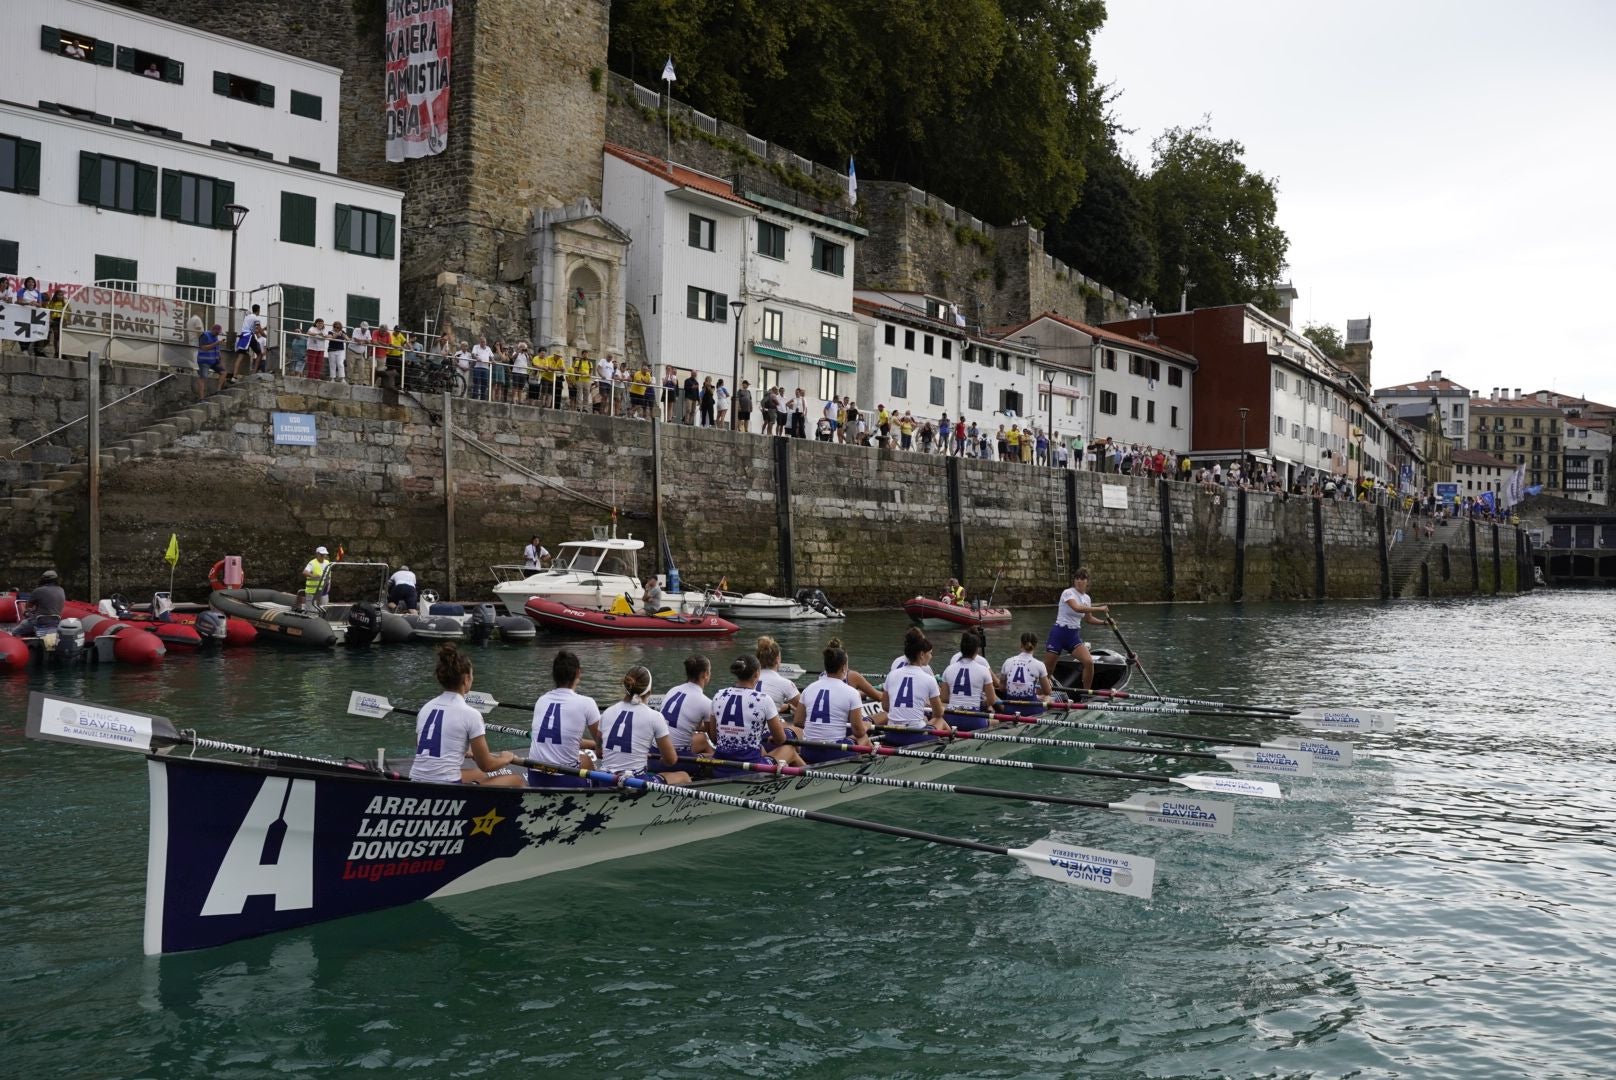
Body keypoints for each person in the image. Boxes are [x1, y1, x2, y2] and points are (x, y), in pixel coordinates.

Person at [411, 645, 525, 786]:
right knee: (516, 780)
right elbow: (487, 765)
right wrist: (506, 758)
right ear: (466, 679)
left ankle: (476, 788)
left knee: (480, 774)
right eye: (472, 674)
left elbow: (421, 745)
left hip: (417, 780)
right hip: (446, 785)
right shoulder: (471, 714)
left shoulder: (426, 708)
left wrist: (463, 749)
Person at [711, 654, 805, 772]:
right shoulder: (763, 699)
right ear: (757, 674)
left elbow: (714, 738)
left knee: (759, 747)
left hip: (721, 765)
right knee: (789, 749)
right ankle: (809, 781)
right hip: (751, 768)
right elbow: (780, 739)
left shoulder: (718, 695)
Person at [596, 666, 687, 783]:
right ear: (649, 692)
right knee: (684, 776)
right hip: (635, 782)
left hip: (604, 779)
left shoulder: (607, 712)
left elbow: (599, 753)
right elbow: (671, 760)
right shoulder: (655, 717)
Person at [526, 650, 602, 787]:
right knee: (591, 765)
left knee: (584, 759)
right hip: (564, 779)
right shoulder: (587, 703)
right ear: (578, 673)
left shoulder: (541, 700)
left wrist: (593, 744)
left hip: (534, 776)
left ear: (554, 675)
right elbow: (602, 747)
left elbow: (564, 737)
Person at [795, 643, 875, 763]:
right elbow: (858, 731)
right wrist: (867, 725)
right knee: (863, 737)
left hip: (808, 750)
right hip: (835, 752)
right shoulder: (852, 693)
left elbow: (798, 721)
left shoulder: (808, 689)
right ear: (844, 667)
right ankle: (872, 764)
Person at [1044, 568, 1109, 693]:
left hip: (1072, 636)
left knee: (1089, 662)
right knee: (1048, 670)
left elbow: (1088, 619)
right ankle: (1042, 695)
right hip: (1058, 634)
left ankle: (1086, 694)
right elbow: (1077, 608)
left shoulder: (1087, 599)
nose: (1079, 581)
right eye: (1077, 578)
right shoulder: (1068, 593)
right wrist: (1100, 608)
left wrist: (1104, 623)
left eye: (1082, 579)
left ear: (1087, 582)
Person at [883, 631, 943, 745]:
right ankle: (951, 745)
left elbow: (885, 706)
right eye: (930, 653)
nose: (931, 656)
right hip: (915, 735)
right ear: (921, 654)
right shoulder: (929, 679)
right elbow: (938, 713)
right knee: (940, 720)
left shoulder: (892, 675)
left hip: (891, 734)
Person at [660, 654, 717, 762]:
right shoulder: (705, 702)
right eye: (710, 671)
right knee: (715, 757)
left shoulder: (673, 690)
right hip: (674, 756)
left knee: (703, 739)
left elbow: (684, 722)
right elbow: (714, 738)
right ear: (705, 674)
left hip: (658, 747)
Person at [940, 632, 997, 729]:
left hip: (951, 718)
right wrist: (982, 705)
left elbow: (944, 698)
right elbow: (992, 700)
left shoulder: (948, 669)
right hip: (973, 720)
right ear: (976, 650)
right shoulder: (983, 670)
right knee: (997, 721)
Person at [755, 635, 802, 735]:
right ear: (777, 659)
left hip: (750, 731)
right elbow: (805, 708)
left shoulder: (749, 680)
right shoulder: (785, 683)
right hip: (768, 734)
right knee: (799, 731)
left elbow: (764, 703)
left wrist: (788, 707)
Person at [1000, 632, 1053, 712]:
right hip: (1031, 710)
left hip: (1010, 709)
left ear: (1021, 644)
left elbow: (1002, 688)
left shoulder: (1008, 661)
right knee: (1049, 698)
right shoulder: (1039, 665)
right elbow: (1047, 691)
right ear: (1036, 646)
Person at [230, 304, 264, 382]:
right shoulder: (256, 318)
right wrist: (265, 336)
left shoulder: (247, 317)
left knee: (240, 357)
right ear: (258, 310)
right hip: (249, 337)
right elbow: (259, 330)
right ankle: (254, 372)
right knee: (260, 353)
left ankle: (234, 377)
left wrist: (261, 330)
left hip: (243, 337)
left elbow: (254, 330)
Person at [296, 545, 332, 612]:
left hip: (323, 591)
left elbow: (329, 575)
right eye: (321, 555)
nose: (323, 556)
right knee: (311, 611)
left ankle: (321, 621)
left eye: (325, 555)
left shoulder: (327, 562)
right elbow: (305, 572)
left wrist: (329, 584)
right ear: (317, 554)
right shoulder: (312, 563)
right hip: (312, 591)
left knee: (324, 609)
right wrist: (313, 576)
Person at [194, 323, 223, 400]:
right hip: (204, 360)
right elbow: (204, 348)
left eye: (219, 333)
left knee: (223, 372)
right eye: (217, 332)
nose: (217, 334)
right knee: (203, 377)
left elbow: (216, 347)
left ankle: (218, 391)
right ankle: (201, 398)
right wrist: (216, 343)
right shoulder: (205, 335)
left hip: (213, 360)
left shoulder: (215, 337)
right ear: (213, 330)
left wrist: (219, 355)